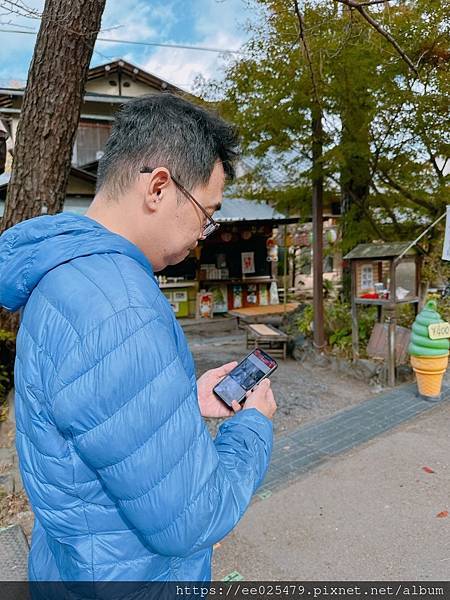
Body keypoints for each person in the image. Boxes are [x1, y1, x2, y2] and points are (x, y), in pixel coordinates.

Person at [0, 93, 276, 583]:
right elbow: (193, 518)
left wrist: (177, 404)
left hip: (74, 566)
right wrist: (252, 425)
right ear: (158, 188)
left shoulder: (68, 272)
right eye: (206, 213)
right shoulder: (121, 306)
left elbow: (89, 426)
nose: (204, 232)